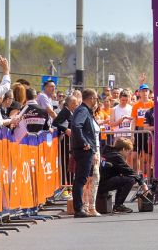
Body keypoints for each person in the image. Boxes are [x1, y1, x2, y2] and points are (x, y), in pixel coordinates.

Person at [71, 88, 101, 217]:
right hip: (83, 150)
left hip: (85, 150)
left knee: (83, 179)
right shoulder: (83, 110)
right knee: (81, 179)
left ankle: (81, 207)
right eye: (95, 98)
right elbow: (77, 126)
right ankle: (78, 208)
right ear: (91, 99)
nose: (96, 101)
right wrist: (85, 143)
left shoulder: (85, 111)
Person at [98, 138, 140, 214]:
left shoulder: (108, 152)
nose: (128, 154)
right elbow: (129, 171)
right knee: (130, 180)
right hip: (102, 184)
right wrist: (142, 182)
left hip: (100, 182)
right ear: (124, 149)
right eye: (128, 151)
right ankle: (118, 205)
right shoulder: (116, 156)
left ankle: (118, 205)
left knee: (123, 178)